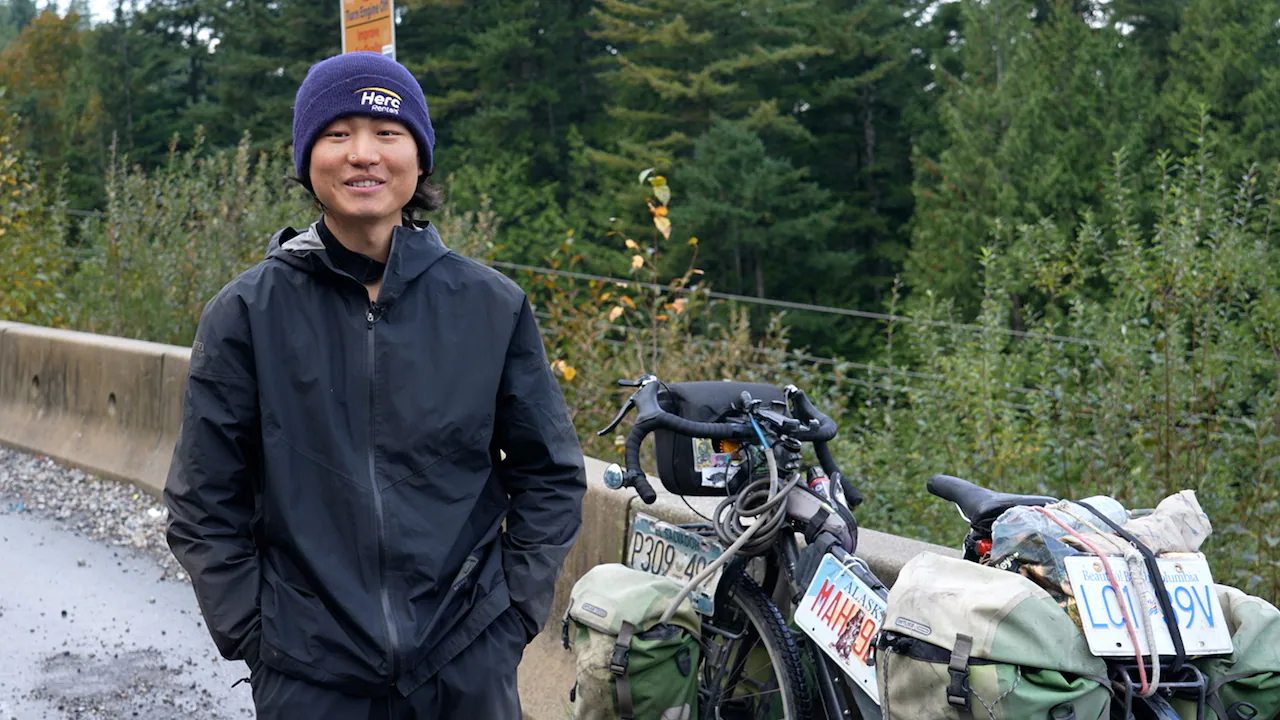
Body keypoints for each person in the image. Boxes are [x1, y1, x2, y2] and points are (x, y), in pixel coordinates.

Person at [163, 51, 587, 719]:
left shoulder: (490, 306)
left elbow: (552, 475)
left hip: (465, 664)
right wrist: (259, 637)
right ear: (306, 160)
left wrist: (507, 619)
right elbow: (201, 502)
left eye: (387, 134)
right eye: (337, 135)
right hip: (308, 675)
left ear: (419, 159)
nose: (363, 154)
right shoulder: (247, 314)